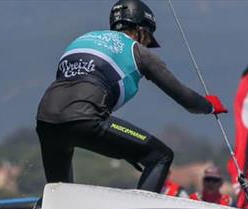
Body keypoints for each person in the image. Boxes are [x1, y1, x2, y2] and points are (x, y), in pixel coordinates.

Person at [36, 0, 227, 193]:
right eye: (147, 39)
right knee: (160, 156)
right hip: (86, 119)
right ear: (142, 31)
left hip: (46, 121)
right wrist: (209, 106)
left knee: (59, 193)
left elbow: (71, 89)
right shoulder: (138, 51)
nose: (146, 44)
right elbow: (187, 100)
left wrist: (125, 149)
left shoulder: (83, 39)